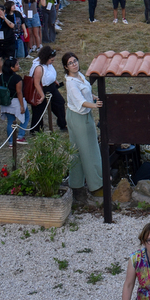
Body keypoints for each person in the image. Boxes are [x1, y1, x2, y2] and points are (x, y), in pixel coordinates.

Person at [63, 53, 103, 199]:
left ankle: (76, 184)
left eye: (75, 61)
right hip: (78, 116)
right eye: (70, 63)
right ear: (66, 67)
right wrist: (95, 105)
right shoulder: (70, 82)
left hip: (83, 115)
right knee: (89, 150)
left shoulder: (79, 76)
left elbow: (86, 92)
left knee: (78, 151)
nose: (74, 64)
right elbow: (80, 101)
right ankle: (96, 185)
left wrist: (94, 97)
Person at [29, 46, 67, 133]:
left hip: (51, 87)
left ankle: (62, 124)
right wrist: (42, 95)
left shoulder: (47, 64)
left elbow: (49, 73)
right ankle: (36, 131)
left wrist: (54, 80)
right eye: (51, 60)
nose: (52, 62)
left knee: (60, 103)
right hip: (41, 89)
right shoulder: (38, 68)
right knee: (39, 111)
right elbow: (36, 83)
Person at [0, 57, 29, 145]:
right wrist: (22, 105)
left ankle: (11, 142)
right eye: (17, 64)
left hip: (6, 102)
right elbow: (19, 92)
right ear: (12, 67)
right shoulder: (17, 78)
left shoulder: (1, 77)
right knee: (26, 117)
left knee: (10, 122)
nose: (18, 66)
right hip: (16, 102)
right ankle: (20, 136)